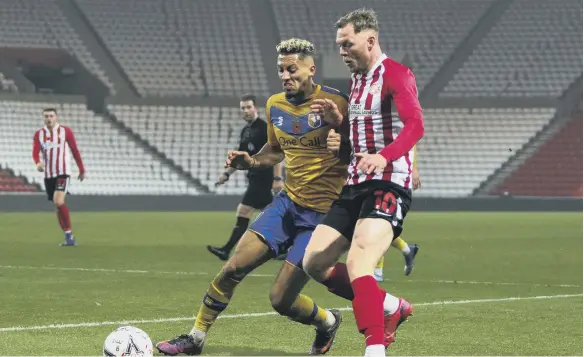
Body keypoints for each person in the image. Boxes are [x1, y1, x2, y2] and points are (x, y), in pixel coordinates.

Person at [156, 38, 349, 356]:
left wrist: (342, 138)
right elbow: (274, 150)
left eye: (292, 69)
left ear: (311, 69)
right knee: (232, 268)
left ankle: (327, 322)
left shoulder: (336, 103)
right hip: (287, 204)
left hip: (322, 217)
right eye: (281, 70)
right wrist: (251, 161)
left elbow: (362, 148)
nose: (285, 75)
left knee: (280, 300)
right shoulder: (275, 105)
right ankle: (196, 337)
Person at [303, 8, 425, 356]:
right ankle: (389, 306)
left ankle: (374, 349)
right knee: (315, 263)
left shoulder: (397, 75)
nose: (341, 52)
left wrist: (385, 157)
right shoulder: (357, 81)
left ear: (370, 40)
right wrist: (338, 122)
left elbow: (415, 125)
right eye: (339, 45)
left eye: (347, 44)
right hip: (355, 184)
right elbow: (358, 137)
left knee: (359, 263)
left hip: (388, 183)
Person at [328, 135, 421, 282]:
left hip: (384, 173)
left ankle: (377, 270)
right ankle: (406, 250)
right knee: (365, 223)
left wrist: (413, 167)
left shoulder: (389, 122)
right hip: (358, 171)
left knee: (372, 219)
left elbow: (410, 137)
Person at [207, 94, 284, 261]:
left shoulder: (264, 128)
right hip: (255, 177)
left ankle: (226, 250)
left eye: (249, 107)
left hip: (263, 177)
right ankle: (283, 247)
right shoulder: (246, 131)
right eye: (243, 108)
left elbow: (276, 153)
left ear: (255, 108)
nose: (246, 110)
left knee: (244, 210)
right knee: (272, 213)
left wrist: (277, 178)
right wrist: (226, 174)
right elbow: (240, 158)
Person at [32, 107, 85, 246]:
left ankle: (69, 235)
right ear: (43, 118)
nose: (49, 119)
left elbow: (74, 149)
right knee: (57, 206)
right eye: (46, 116)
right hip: (49, 174)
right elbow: (35, 151)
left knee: (58, 201)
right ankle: (68, 236)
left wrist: (81, 168)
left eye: (51, 116)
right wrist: (37, 163)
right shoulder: (39, 134)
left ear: (56, 117)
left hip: (63, 172)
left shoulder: (65, 131)